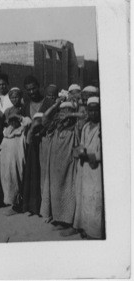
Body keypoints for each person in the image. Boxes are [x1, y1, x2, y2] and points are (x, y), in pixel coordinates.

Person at [65, 96, 104, 239]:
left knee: (95, 201)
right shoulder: (87, 126)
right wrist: (79, 151)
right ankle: (83, 228)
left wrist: (90, 157)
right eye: (90, 110)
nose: (93, 113)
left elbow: (104, 152)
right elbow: (82, 144)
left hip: (96, 170)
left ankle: (95, 233)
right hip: (84, 169)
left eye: (96, 110)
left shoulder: (102, 127)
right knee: (84, 198)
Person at [40, 101, 80, 231]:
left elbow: (85, 117)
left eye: (68, 112)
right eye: (63, 112)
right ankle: (57, 218)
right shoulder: (56, 127)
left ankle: (67, 222)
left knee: (68, 192)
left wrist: (72, 113)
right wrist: (55, 105)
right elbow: (44, 119)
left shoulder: (75, 128)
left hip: (69, 167)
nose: (65, 115)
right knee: (55, 192)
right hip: (54, 167)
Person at [0, 112, 32, 216]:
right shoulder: (7, 131)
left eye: (15, 120)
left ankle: (19, 205)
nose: (13, 122)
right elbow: (3, 144)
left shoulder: (23, 131)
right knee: (7, 181)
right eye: (11, 120)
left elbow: (29, 122)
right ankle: (13, 204)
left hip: (16, 160)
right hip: (6, 161)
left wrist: (19, 116)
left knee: (17, 179)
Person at [21, 112, 45, 216]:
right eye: (36, 121)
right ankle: (33, 207)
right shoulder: (30, 133)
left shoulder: (44, 133)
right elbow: (28, 141)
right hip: (33, 163)